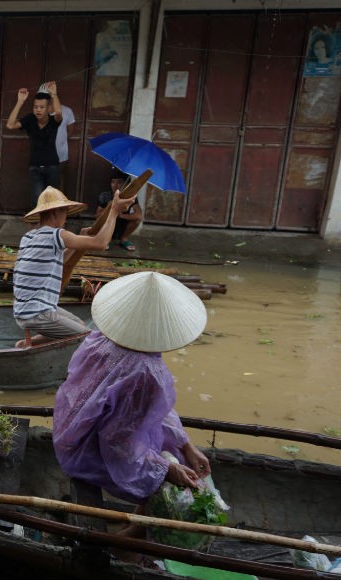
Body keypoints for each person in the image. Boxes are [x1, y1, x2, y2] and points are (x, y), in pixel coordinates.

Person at [52, 271, 210, 517]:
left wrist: (185, 444)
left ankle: (134, 527)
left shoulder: (98, 338)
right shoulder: (146, 373)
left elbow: (157, 411)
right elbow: (117, 442)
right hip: (88, 452)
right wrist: (165, 469)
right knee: (173, 494)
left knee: (178, 456)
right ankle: (131, 540)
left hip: (70, 436)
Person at [13, 186, 136, 348]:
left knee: (79, 323)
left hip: (24, 310)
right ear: (56, 213)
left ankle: (25, 344)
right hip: (38, 313)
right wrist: (114, 211)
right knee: (91, 339)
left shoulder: (28, 237)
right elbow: (101, 242)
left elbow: (60, 262)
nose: (66, 218)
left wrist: (81, 238)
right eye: (65, 213)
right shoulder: (57, 235)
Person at [6, 82, 63, 202]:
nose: (38, 110)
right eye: (35, 107)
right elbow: (10, 125)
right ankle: (37, 222)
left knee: (53, 202)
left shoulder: (54, 121)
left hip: (52, 166)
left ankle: (52, 221)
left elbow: (58, 112)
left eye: (42, 107)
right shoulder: (30, 119)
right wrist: (20, 101)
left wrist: (54, 94)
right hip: (35, 167)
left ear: (48, 108)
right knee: (37, 201)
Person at [37, 84, 76, 196]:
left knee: (59, 181)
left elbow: (69, 131)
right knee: (42, 181)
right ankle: (43, 208)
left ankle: (59, 208)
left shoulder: (67, 111)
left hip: (61, 154)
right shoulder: (38, 112)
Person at [97, 168, 143, 252]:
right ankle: (106, 239)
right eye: (113, 182)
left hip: (122, 224)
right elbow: (98, 215)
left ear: (126, 185)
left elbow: (139, 215)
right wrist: (110, 207)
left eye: (119, 182)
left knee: (137, 220)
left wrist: (120, 215)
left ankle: (124, 239)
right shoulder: (104, 196)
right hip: (107, 224)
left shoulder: (130, 197)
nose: (115, 185)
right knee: (101, 219)